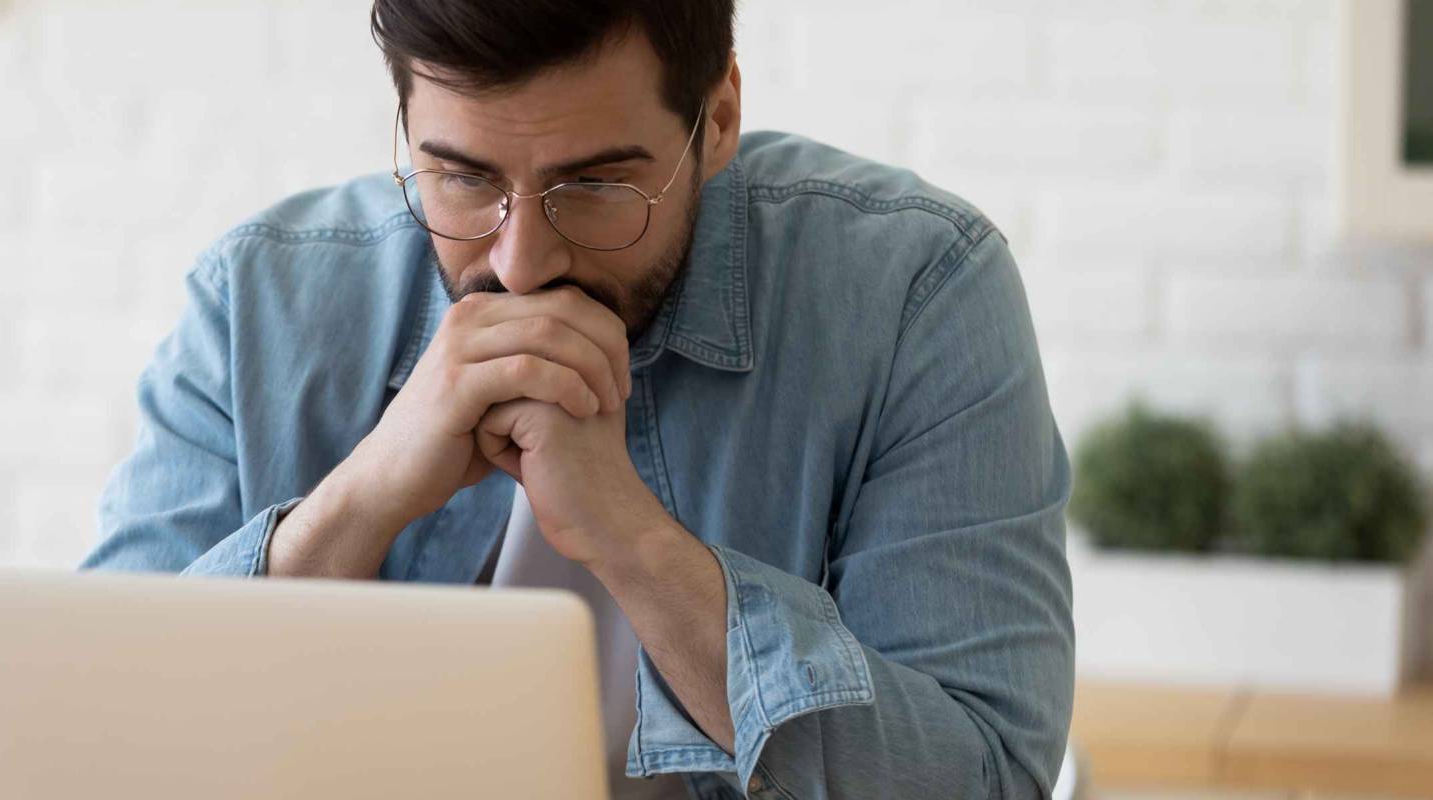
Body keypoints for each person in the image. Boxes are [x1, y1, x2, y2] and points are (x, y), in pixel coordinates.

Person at [82, 1, 1074, 797]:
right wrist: (365, 495)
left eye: (595, 186)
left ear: (717, 117)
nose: (522, 261)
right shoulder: (258, 299)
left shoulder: (917, 291)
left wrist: (631, 537)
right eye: (462, 179)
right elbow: (88, 741)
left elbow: (981, 774)